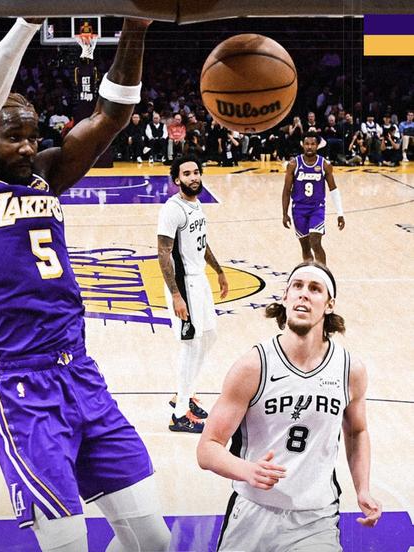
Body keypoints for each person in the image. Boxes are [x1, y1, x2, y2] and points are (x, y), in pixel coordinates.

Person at [0, 17, 170, 552]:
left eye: (31, 136)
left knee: (153, 541)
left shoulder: (46, 175)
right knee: (68, 543)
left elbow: (111, 117)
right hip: (22, 386)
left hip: (81, 373)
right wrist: (27, 23)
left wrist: (136, 26)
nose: (26, 147)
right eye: (12, 137)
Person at [197, 261, 382, 551]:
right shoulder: (253, 366)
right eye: (297, 286)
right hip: (252, 514)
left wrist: (363, 489)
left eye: (315, 288)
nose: (303, 293)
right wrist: (247, 470)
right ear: (285, 297)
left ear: (329, 305)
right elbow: (207, 449)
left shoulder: (349, 369)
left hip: (315, 519)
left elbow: (357, 432)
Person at [157, 155, 228, 434]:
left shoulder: (197, 205)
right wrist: (176, 295)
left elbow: (202, 243)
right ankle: (179, 416)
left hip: (200, 281)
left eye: (196, 172)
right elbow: (163, 253)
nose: (193, 177)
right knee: (191, 344)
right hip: (184, 284)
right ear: (177, 180)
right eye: (187, 174)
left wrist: (219, 270)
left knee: (210, 336)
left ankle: (184, 395)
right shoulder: (172, 209)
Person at [282, 132, 345, 265]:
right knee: (305, 246)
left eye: (312, 144)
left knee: (315, 242)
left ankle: (323, 271)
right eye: (307, 144)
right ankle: (309, 271)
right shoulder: (293, 164)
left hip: (317, 208)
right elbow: (286, 191)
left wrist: (340, 213)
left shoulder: (324, 165)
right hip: (298, 209)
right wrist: (284, 214)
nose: (309, 147)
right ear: (302, 145)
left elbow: (333, 189)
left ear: (317, 146)